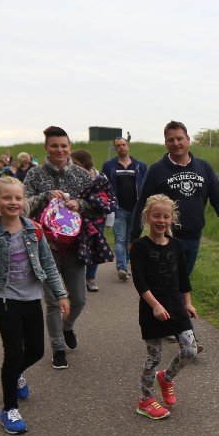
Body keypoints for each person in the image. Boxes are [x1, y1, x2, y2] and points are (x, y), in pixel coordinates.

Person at [0, 176, 71, 434]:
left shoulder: (34, 230)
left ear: (24, 201)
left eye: (18, 197)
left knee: (36, 351)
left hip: (32, 298)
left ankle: (15, 374)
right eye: (7, 197)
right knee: (13, 352)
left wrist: (61, 294)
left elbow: (48, 264)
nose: (13, 202)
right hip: (6, 301)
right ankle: (9, 408)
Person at [22, 126, 94, 370]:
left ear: (69, 147)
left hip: (75, 246)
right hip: (45, 247)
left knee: (79, 299)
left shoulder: (82, 175)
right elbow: (23, 206)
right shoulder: (34, 175)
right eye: (54, 145)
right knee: (53, 302)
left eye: (63, 145)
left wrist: (79, 204)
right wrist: (45, 196)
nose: (59, 150)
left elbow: (97, 204)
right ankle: (58, 348)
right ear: (46, 147)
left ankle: (67, 326)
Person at [132, 121, 219, 275]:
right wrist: (133, 237)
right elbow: (142, 204)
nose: (176, 143)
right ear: (165, 143)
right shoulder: (156, 170)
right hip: (166, 238)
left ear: (188, 139)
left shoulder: (203, 167)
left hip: (194, 238)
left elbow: (218, 198)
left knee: (183, 281)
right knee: (167, 282)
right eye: (171, 140)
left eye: (179, 138)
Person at [130, 194, 198, 420]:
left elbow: (183, 277)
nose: (161, 220)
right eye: (156, 215)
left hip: (176, 307)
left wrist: (187, 302)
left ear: (172, 218)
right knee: (154, 357)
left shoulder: (176, 245)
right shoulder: (139, 246)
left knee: (190, 350)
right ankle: (145, 399)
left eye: (166, 216)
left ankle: (166, 378)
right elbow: (140, 282)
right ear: (147, 217)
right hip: (152, 310)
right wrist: (155, 306)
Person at [101, 136, 147, 282]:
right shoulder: (109, 166)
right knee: (120, 239)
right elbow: (103, 185)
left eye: (123, 145)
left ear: (128, 146)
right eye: (118, 146)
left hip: (136, 209)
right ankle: (121, 268)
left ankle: (125, 264)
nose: (121, 148)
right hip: (118, 208)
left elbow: (146, 187)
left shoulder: (140, 166)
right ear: (115, 148)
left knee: (131, 239)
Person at [71, 149, 116, 292]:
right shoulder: (73, 177)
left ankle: (90, 278)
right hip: (78, 219)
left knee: (95, 248)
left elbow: (109, 197)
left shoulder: (100, 178)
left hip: (98, 220)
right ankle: (76, 280)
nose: (73, 165)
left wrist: (110, 219)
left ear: (84, 163)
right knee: (77, 249)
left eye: (75, 163)